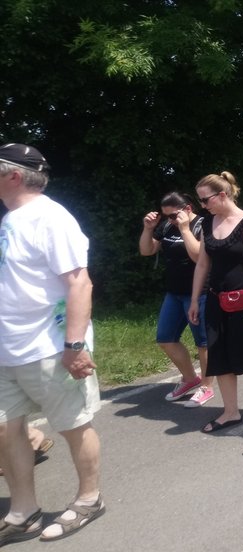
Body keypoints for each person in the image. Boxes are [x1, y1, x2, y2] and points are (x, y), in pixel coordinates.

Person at [0, 143, 105, 543]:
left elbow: (79, 282)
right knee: (6, 431)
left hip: (49, 348)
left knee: (74, 425)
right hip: (8, 347)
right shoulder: (12, 218)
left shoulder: (51, 218)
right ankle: (23, 511)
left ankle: (88, 499)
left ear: (13, 175)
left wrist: (75, 346)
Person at [189, 172, 243, 433]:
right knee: (219, 357)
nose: (203, 205)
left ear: (223, 195)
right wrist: (195, 299)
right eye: (201, 201)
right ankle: (230, 412)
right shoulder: (207, 223)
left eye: (206, 200)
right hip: (216, 299)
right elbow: (203, 263)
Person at [139, 192, 213, 406]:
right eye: (166, 216)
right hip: (174, 292)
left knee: (203, 343)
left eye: (173, 215)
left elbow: (199, 256)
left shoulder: (203, 224)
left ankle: (207, 387)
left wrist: (184, 229)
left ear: (188, 209)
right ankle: (190, 378)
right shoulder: (168, 226)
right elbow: (147, 250)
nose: (169, 219)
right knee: (165, 338)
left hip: (201, 292)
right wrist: (148, 228)